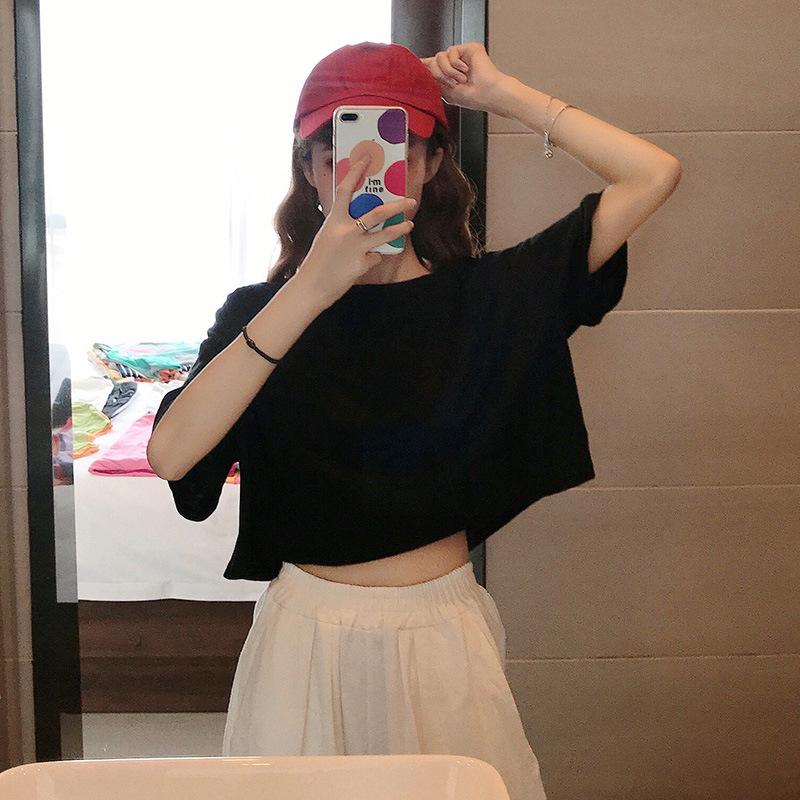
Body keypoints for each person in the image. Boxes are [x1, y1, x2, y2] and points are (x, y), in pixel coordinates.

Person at [147, 41, 681, 800]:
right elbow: (171, 456)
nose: (361, 169)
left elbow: (653, 174)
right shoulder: (259, 314)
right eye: (335, 152)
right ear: (309, 170)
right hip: (303, 641)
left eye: (393, 145)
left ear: (430, 164)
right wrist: (311, 288)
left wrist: (502, 94)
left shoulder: (488, 298)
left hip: (440, 635)